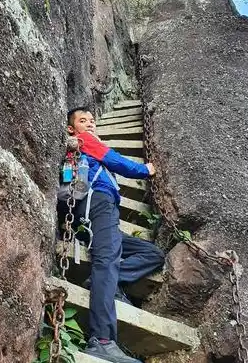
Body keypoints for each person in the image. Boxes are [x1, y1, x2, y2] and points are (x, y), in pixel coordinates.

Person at [65, 106, 165, 363]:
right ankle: (102, 340)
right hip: (96, 203)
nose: (90, 124)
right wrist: (146, 170)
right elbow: (115, 162)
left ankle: (112, 279)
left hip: (102, 210)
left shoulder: (88, 141)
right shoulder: (86, 142)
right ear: (71, 128)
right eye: (83, 120)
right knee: (106, 261)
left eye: (92, 121)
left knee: (152, 254)